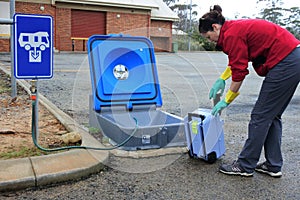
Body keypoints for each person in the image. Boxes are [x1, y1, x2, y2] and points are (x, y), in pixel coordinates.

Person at [199, 5, 300, 177]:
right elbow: (238, 59)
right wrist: (222, 79)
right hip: (293, 57)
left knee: (260, 116)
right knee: (271, 115)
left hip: (285, 62)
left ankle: (245, 165)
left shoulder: (231, 34)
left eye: (209, 37)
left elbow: (239, 72)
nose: (211, 41)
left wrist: (227, 100)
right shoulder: (233, 29)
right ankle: (273, 165)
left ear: (215, 27)